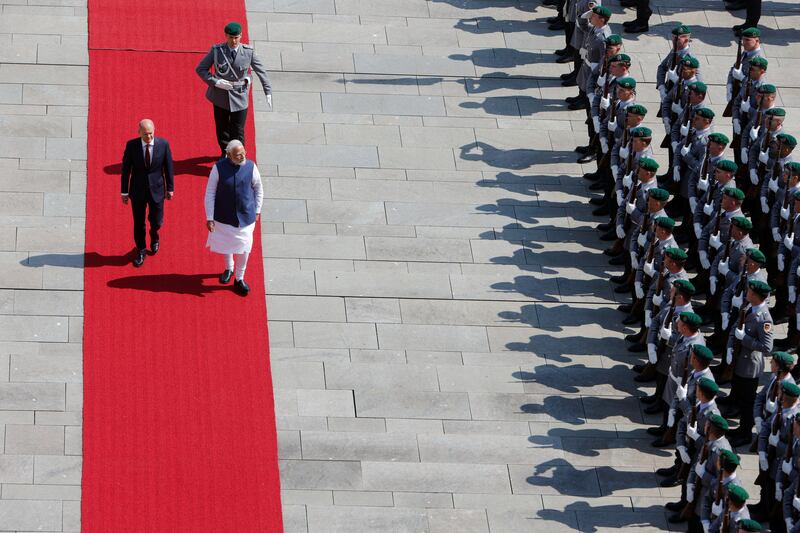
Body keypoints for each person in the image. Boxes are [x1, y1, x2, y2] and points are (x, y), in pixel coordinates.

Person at [196, 21, 272, 157]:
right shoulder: (217, 51)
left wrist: (268, 91)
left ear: (241, 36)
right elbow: (201, 69)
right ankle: (225, 154)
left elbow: (261, 71)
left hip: (240, 95)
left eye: (236, 37)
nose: (234, 40)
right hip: (220, 96)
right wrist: (216, 82)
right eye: (231, 37)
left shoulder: (248, 52)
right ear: (226, 36)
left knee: (238, 129)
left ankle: (238, 156)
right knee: (222, 129)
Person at [204, 140, 263, 296]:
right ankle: (229, 268)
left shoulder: (251, 167)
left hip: (246, 217)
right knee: (226, 243)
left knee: (245, 248)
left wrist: (257, 210)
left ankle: (239, 278)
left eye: (243, 152)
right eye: (238, 154)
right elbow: (210, 192)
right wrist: (210, 217)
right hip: (223, 216)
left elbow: (258, 189)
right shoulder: (218, 168)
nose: (242, 156)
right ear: (229, 155)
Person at [120, 119, 174, 267]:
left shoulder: (163, 145)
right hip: (137, 191)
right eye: (145, 134)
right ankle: (141, 250)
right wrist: (124, 192)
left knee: (156, 221)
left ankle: (154, 236)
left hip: (157, 190)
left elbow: (168, 167)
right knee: (139, 223)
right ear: (139, 133)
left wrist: (170, 188)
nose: (149, 137)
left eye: (151, 134)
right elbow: (126, 170)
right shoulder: (132, 146)